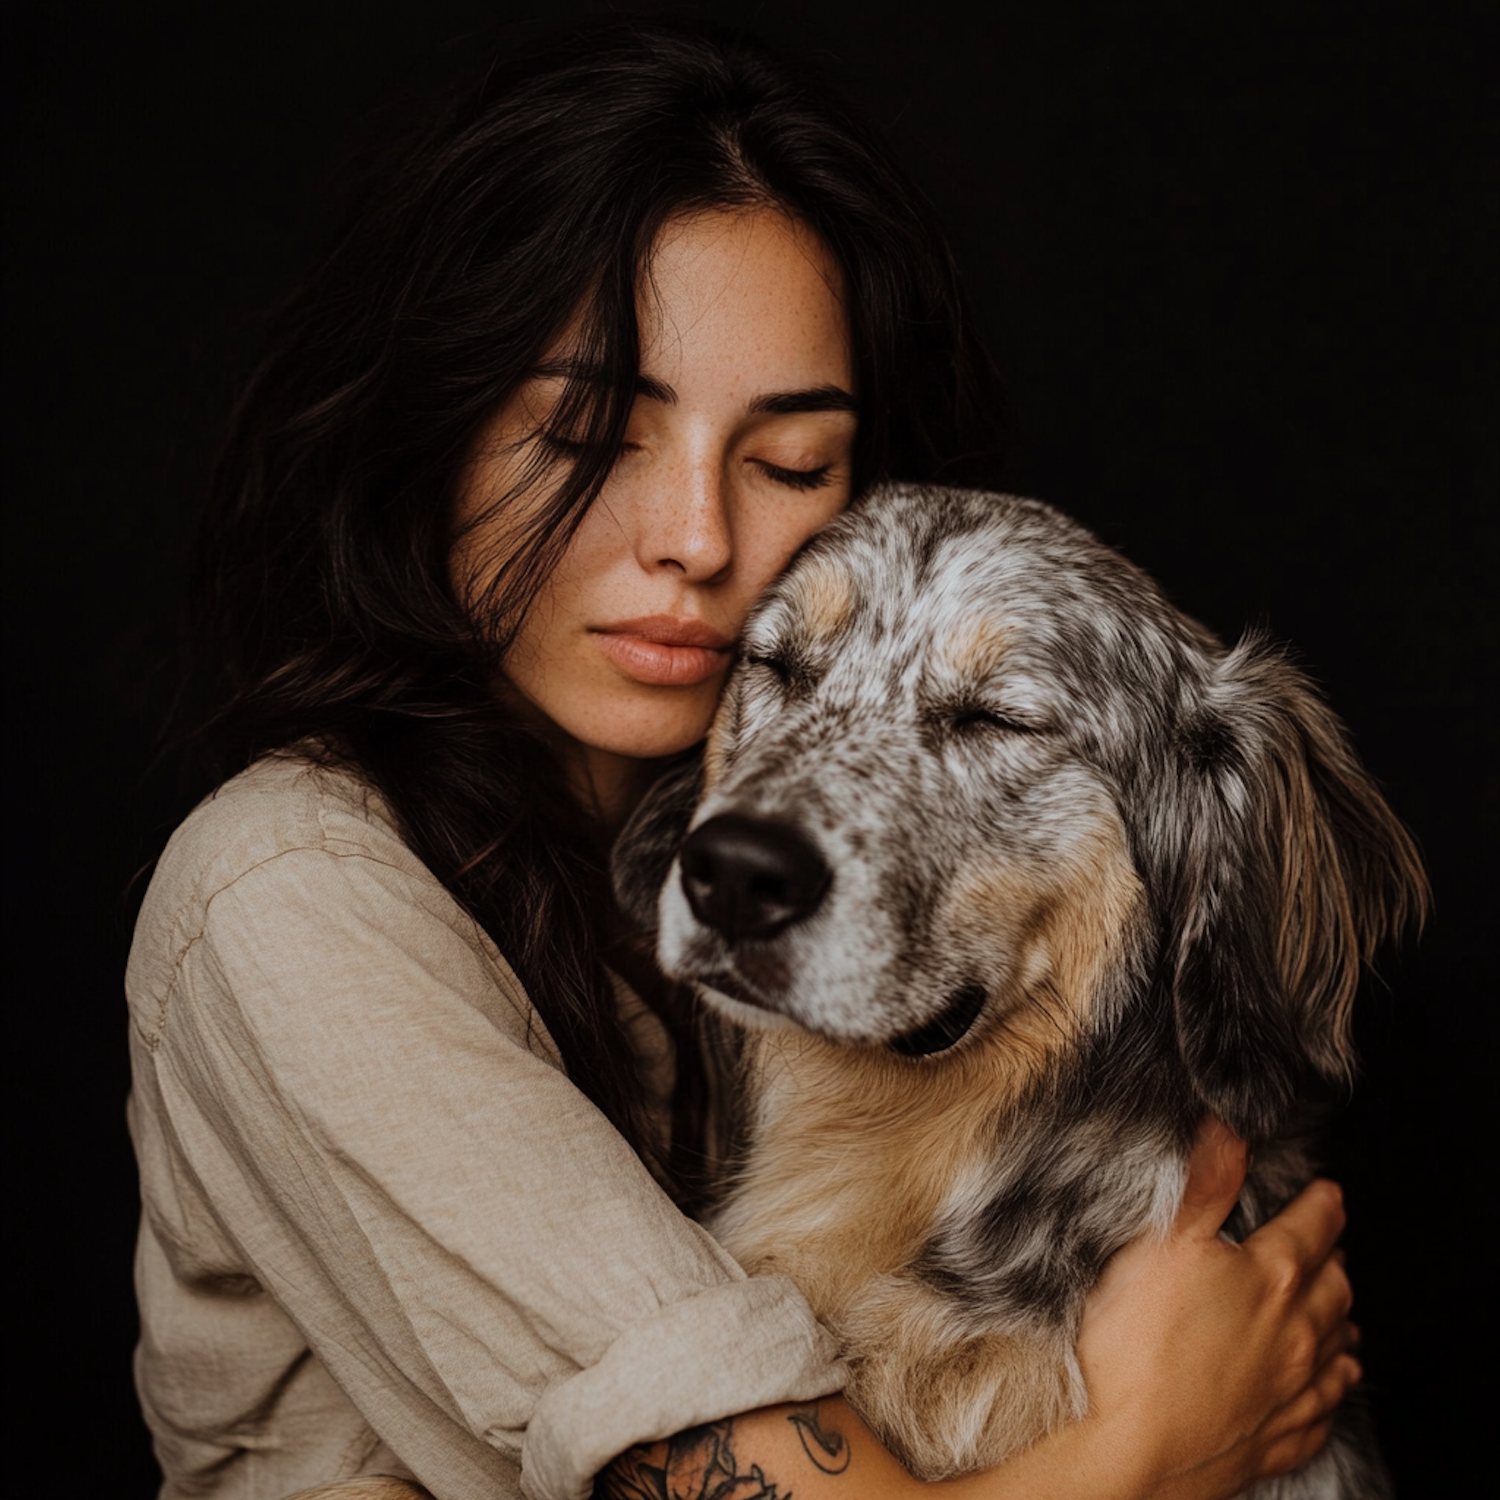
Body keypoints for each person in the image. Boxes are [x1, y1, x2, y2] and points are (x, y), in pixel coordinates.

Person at [126, 18, 1362, 1500]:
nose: (701, 542)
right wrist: (1158, 1442)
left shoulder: (664, 843)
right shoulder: (292, 895)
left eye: (789, 465)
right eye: (593, 432)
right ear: (432, 434)